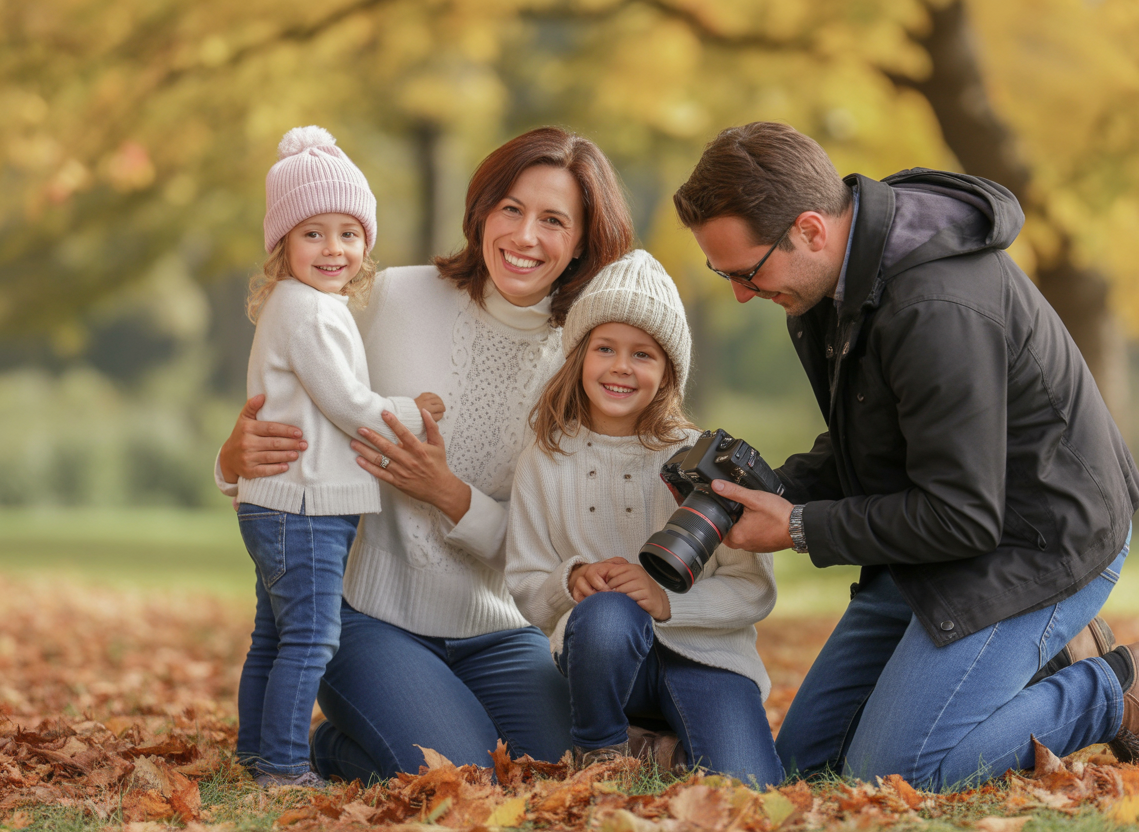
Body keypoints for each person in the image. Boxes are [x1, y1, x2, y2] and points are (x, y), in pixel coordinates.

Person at [671, 121, 1139, 789]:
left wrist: (798, 527)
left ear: (810, 229)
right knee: (806, 769)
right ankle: (1048, 658)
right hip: (932, 544)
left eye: (747, 271)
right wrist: (756, 491)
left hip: (1038, 542)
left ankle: (1118, 688)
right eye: (725, 274)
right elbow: (872, 442)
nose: (743, 292)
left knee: (896, 771)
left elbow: (965, 516)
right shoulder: (824, 289)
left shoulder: (936, 307)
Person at [216, 126, 634, 781]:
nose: (525, 237)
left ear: (583, 239)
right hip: (367, 617)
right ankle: (341, 742)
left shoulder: (591, 361)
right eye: (511, 210)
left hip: (499, 629)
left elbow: (559, 551)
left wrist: (449, 494)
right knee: (464, 779)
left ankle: (383, 734)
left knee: (554, 773)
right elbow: (288, 378)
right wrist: (231, 459)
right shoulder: (388, 295)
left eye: (553, 220)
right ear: (482, 212)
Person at [505, 250, 783, 787]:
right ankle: (601, 750)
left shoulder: (702, 460)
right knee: (609, 614)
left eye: (643, 355)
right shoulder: (546, 459)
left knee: (748, 786)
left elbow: (754, 589)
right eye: (605, 348)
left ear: (668, 371)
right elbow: (524, 585)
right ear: (579, 355)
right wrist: (570, 582)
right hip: (603, 664)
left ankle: (660, 752)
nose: (621, 367)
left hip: (708, 660)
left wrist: (669, 599)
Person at [232, 126, 443, 787]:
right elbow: (349, 405)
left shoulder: (296, 306)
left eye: (348, 233)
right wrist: (415, 412)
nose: (334, 249)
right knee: (311, 640)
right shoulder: (311, 314)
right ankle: (286, 767)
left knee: (272, 636)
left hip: (277, 503)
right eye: (313, 233)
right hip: (303, 508)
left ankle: (257, 753)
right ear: (283, 244)